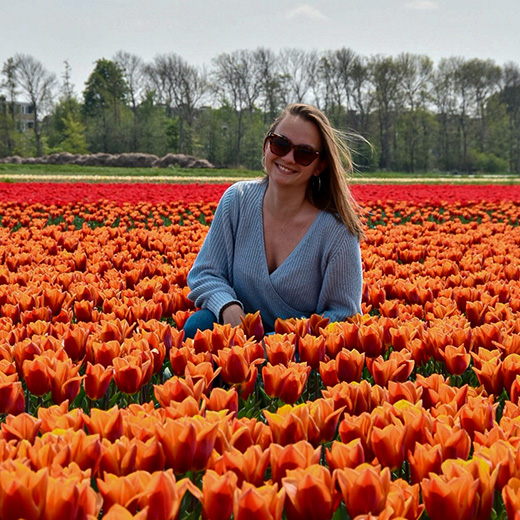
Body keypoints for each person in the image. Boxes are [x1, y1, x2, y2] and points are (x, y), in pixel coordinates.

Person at [183, 103, 364, 338]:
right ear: (267, 145)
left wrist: (279, 345)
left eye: (304, 153)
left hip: (296, 350)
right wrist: (227, 305)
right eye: (280, 143)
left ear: (319, 166)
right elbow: (205, 273)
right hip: (239, 333)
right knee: (198, 326)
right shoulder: (237, 201)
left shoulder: (337, 232)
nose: (288, 158)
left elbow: (344, 315)